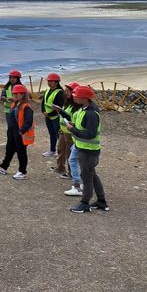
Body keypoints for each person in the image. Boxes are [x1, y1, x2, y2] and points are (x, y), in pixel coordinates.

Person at [66, 85, 108, 213]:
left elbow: (90, 134)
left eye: (76, 96)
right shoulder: (83, 110)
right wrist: (74, 126)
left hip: (88, 151)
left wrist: (72, 129)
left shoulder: (91, 114)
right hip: (85, 149)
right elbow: (84, 127)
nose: (74, 97)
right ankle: (101, 201)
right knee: (92, 175)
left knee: (87, 177)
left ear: (85, 98)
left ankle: (85, 203)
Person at [0, 84, 34, 180]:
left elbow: (28, 122)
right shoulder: (14, 104)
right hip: (12, 132)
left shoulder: (26, 107)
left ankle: (22, 172)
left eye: (17, 94)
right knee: (9, 150)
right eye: (14, 94)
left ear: (22, 95)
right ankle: (3, 167)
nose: (14, 95)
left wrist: (21, 132)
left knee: (21, 152)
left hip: (20, 133)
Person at [53, 82, 79, 178]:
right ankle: (60, 167)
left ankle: (71, 173)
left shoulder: (76, 106)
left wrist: (60, 111)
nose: (66, 93)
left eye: (69, 91)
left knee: (70, 153)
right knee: (61, 150)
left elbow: (71, 118)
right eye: (66, 91)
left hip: (70, 133)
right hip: (63, 131)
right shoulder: (67, 103)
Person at [41, 72, 65, 157]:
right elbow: (43, 102)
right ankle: (52, 150)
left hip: (56, 117)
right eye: (48, 81)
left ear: (56, 82)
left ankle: (61, 151)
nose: (49, 83)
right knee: (52, 134)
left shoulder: (60, 92)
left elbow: (60, 107)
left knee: (59, 135)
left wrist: (50, 114)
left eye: (51, 81)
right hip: (48, 116)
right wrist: (43, 111)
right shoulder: (47, 90)